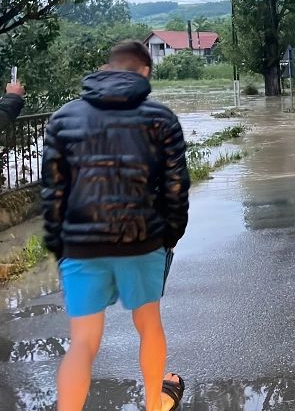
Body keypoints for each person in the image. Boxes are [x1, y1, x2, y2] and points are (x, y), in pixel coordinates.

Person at [42, 41, 189, 411]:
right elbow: (175, 188)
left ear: (107, 68)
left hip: (80, 244)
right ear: (144, 72)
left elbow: (53, 191)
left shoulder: (63, 118)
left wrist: (59, 245)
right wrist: (168, 236)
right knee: (148, 324)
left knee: (83, 342)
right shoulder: (162, 119)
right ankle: (154, 403)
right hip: (142, 241)